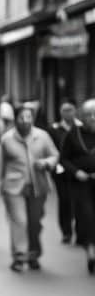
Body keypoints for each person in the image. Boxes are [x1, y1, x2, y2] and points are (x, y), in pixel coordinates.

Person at [0, 105, 58, 272]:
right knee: (20, 221)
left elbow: (55, 155)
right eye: (22, 117)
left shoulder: (42, 136)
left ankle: (33, 254)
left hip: (38, 186)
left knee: (34, 223)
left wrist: (47, 163)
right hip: (13, 188)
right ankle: (19, 256)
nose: (26, 121)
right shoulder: (7, 139)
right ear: (15, 119)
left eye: (29, 117)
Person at [59, 99, 95, 274]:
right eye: (89, 115)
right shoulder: (74, 134)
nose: (93, 118)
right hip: (81, 183)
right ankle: (90, 252)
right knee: (86, 216)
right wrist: (76, 172)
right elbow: (63, 158)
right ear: (82, 116)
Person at [49, 100, 82, 245]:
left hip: (79, 171)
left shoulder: (82, 127)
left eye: (70, 109)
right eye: (64, 110)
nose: (68, 112)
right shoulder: (54, 128)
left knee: (80, 201)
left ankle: (81, 232)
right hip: (61, 171)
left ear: (76, 111)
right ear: (60, 112)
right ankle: (66, 232)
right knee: (65, 200)